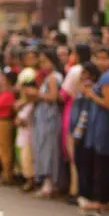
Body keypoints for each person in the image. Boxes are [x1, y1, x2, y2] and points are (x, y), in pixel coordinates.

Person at [82, 47, 109, 212]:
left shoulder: (108, 77)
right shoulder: (105, 77)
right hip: (101, 124)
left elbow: (108, 103)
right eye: (97, 58)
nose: (100, 62)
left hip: (106, 125)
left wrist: (91, 95)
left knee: (105, 162)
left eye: (104, 58)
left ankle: (105, 200)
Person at [61, 44, 92, 198]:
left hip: (73, 113)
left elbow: (63, 94)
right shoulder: (87, 71)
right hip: (81, 114)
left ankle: (75, 189)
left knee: (73, 153)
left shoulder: (74, 71)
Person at [33, 49, 64, 198]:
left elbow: (53, 97)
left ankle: (50, 183)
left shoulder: (53, 77)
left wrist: (37, 94)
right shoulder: (50, 77)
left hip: (50, 118)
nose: (43, 65)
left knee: (49, 149)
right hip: (45, 118)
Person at [71, 61, 101, 211]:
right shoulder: (81, 90)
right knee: (80, 163)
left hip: (84, 133)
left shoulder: (88, 90)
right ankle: (81, 193)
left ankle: (85, 194)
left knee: (84, 164)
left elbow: (84, 115)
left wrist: (78, 132)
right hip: (80, 131)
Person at [0, 70, 18, 184]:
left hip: (5, 122)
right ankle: (5, 173)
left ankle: (8, 174)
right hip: (0, 121)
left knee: (6, 148)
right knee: (2, 148)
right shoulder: (5, 93)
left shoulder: (9, 94)